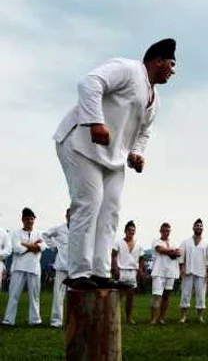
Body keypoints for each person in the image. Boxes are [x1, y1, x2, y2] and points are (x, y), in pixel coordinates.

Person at [54, 38, 176, 290]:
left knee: (110, 209)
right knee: (89, 203)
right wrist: (95, 122)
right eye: (171, 64)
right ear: (158, 60)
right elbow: (90, 83)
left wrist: (137, 153)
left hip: (113, 157)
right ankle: (78, 273)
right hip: (80, 142)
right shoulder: (128, 69)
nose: (173, 71)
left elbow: (143, 132)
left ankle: (100, 272)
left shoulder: (155, 99)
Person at [2, 208, 46, 326]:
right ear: (22, 220)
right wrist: (33, 246)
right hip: (18, 268)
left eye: (31, 219)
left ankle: (35, 320)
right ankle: (8, 320)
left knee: (34, 296)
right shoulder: (15, 233)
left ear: (34, 220)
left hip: (34, 267)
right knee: (14, 295)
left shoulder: (39, 233)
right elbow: (17, 249)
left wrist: (25, 244)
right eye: (27, 219)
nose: (29, 221)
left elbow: (41, 248)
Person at [179, 218, 208, 323]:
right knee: (185, 294)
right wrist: (182, 268)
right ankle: (183, 316)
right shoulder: (186, 242)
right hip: (188, 272)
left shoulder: (206, 244)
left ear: (202, 229)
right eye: (197, 226)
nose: (199, 227)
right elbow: (181, 256)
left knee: (201, 295)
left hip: (201, 272)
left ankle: (200, 317)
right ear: (193, 227)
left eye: (200, 226)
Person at [111, 220, 145, 324]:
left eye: (133, 230)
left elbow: (141, 259)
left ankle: (128, 318)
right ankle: (113, 317)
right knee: (118, 296)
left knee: (130, 297)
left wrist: (140, 270)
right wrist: (115, 268)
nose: (131, 232)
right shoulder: (118, 242)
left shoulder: (139, 245)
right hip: (121, 270)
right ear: (125, 231)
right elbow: (113, 256)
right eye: (129, 230)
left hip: (132, 272)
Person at [43, 208, 70, 328]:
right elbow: (45, 235)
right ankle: (56, 321)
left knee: (75, 295)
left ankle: (73, 320)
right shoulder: (59, 229)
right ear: (66, 216)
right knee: (59, 294)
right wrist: (55, 247)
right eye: (70, 215)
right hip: (61, 266)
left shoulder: (80, 229)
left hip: (76, 268)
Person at [150, 222, 181, 324]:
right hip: (158, 271)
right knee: (156, 295)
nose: (166, 232)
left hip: (170, 271)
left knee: (166, 296)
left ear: (169, 231)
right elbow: (160, 249)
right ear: (160, 231)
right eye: (164, 230)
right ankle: (154, 319)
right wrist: (171, 252)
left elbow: (178, 252)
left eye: (167, 231)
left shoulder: (174, 242)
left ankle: (161, 318)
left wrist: (171, 252)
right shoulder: (156, 241)